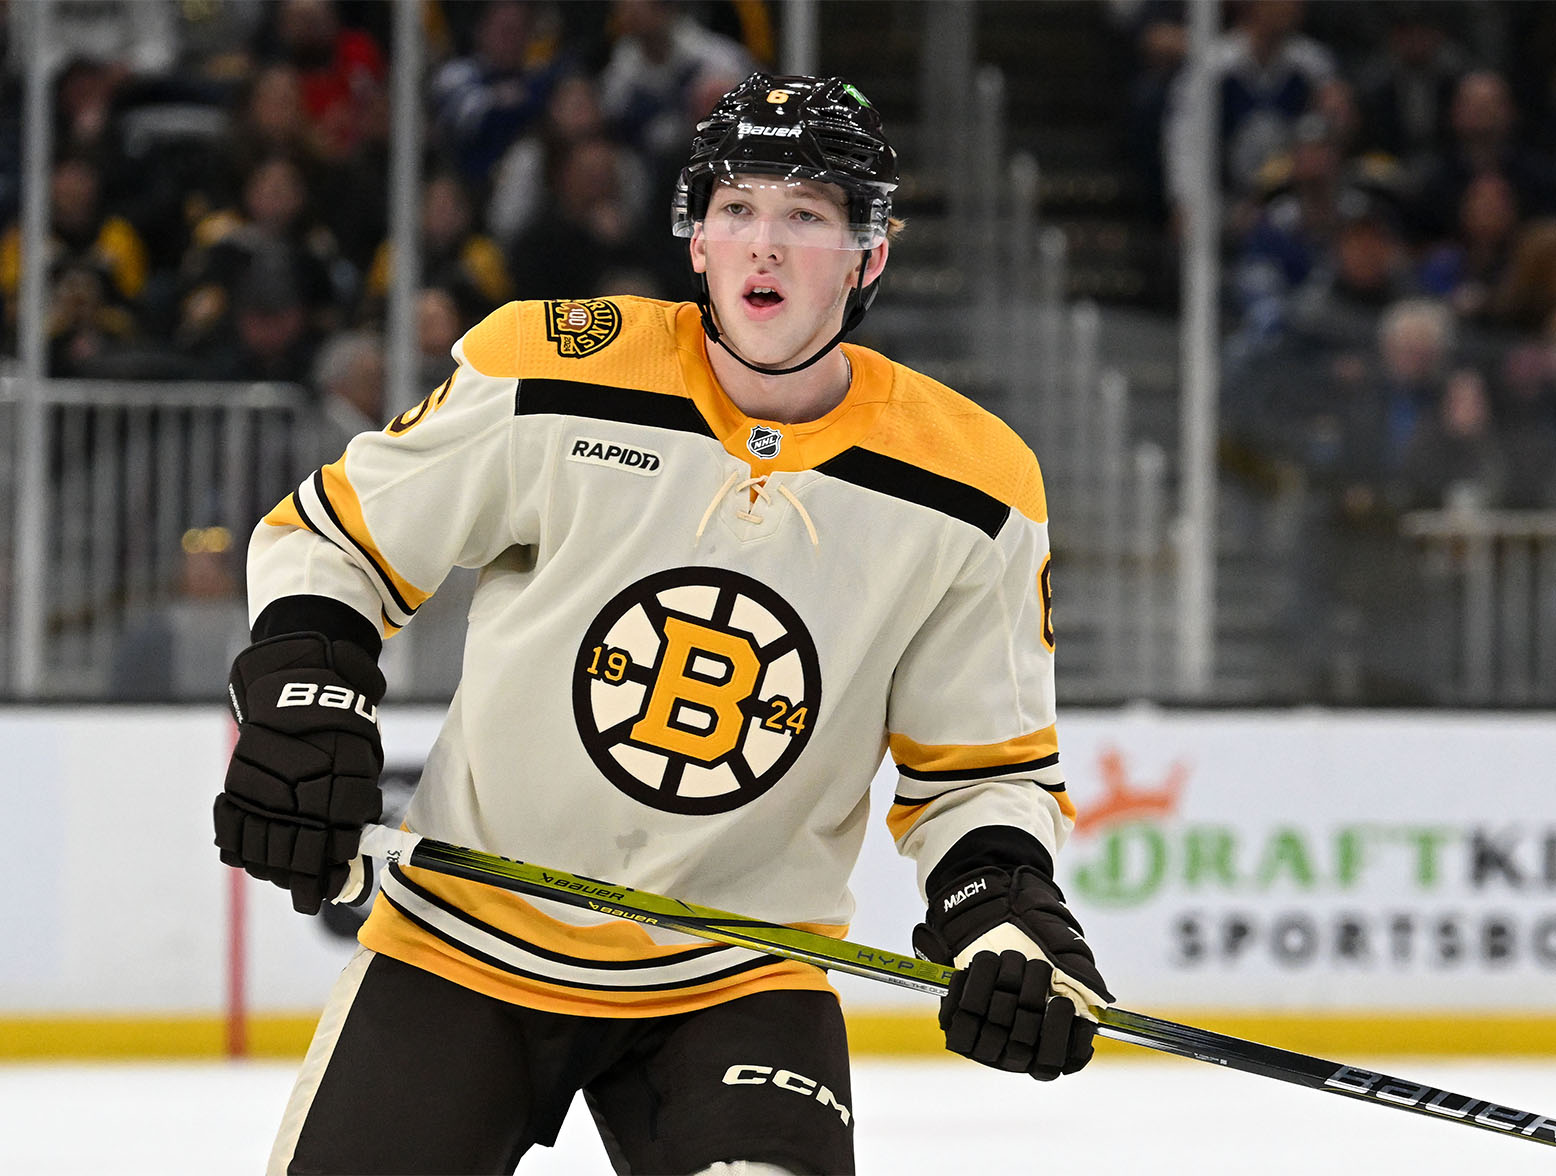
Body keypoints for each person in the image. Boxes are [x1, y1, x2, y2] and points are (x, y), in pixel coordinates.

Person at [214, 73, 1110, 1175]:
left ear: (870, 253)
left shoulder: (971, 482)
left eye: (806, 215)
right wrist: (307, 699)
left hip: (736, 975)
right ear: (695, 239)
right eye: (736, 208)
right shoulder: (553, 368)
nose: (763, 246)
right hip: (461, 942)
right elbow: (336, 538)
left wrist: (1002, 914)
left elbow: (979, 768)